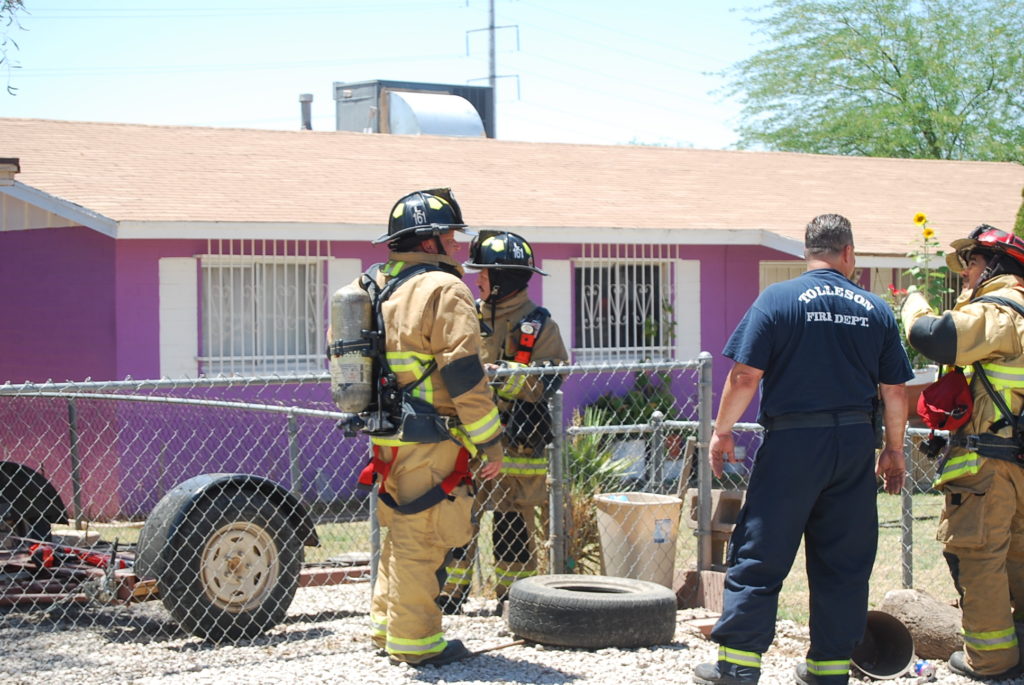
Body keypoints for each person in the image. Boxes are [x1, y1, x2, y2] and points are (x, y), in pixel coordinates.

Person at [693, 213, 912, 685]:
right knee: (844, 561)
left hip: (793, 442)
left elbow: (745, 376)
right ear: (848, 253)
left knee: (761, 550)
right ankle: (828, 671)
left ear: (806, 252)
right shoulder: (876, 309)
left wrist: (722, 431)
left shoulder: (778, 299)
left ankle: (738, 667)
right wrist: (893, 450)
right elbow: (895, 390)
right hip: (854, 445)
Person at [356, 188, 505, 667]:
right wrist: (490, 441)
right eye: (450, 236)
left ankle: (387, 626)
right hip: (431, 436)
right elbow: (463, 374)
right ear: (429, 241)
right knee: (423, 537)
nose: (459, 245)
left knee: (402, 530)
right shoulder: (443, 289)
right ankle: (416, 642)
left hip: (386, 434)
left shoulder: (375, 285)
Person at [901, 224, 1024, 680]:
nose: (965, 275)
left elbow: (934, 335)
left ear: (993, 265)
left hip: (988, 467)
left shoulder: (1000, 311)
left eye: (970, 264)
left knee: (979, 557)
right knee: (1018, 558)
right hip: (1017, 463)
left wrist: (913, 305)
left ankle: (991, 660)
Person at [438, 231, 569, 613]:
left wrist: (500, 375)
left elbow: (548, 379)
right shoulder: (468, 316)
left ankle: (513, 600)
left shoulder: (539, 325)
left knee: (512, 527)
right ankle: (449, 595)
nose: (476, 278)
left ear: (502, 279)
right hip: (466, 442)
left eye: (484, 273)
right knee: (458, 519)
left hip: (517, 447)